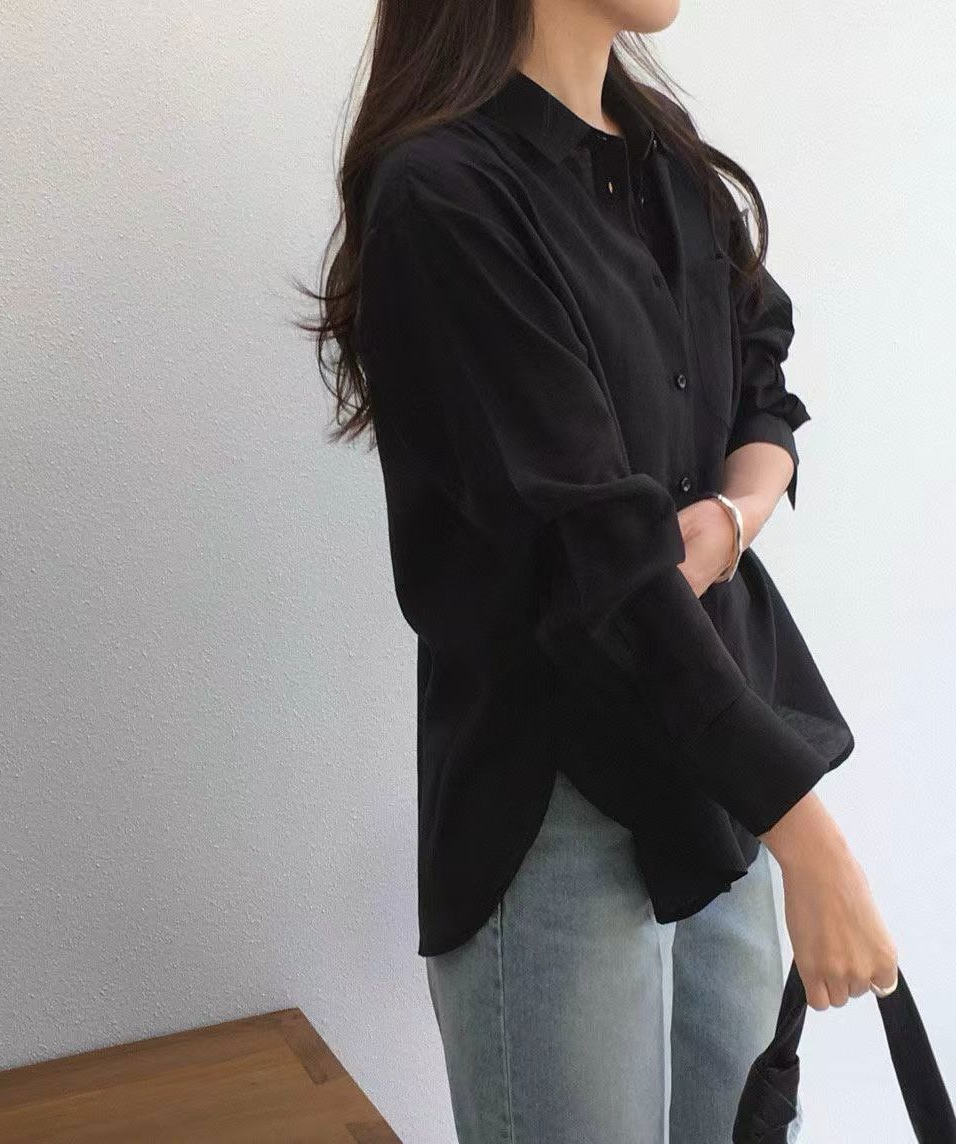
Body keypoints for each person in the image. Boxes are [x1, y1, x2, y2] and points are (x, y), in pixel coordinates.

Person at [300, 1, 899, 1140]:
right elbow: (596, 567)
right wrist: (809, 837)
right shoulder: (446, 195)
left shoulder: (669, 163)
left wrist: (731, 516)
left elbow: (760, 382)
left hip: (717, 789)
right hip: (556, 809)